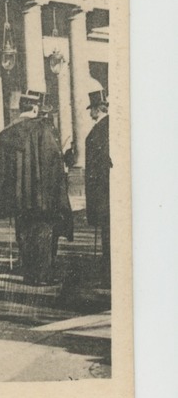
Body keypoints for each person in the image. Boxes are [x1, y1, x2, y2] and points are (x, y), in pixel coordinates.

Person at [0, 90, 73, 286]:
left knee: (23, 233)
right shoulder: (42, 130)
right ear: (34, 108)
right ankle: (43, 276)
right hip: (42, 197)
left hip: (19, 199)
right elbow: (52, 163)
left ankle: (29, 274)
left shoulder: (8, 134)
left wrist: (5, 198)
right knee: (43, 233)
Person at [84, 88, 111, 279]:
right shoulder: (108, 126)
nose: (90, 113)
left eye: (92, 109)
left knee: (107, 228)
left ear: (98, 109)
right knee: (107, 227)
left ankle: (107, 268)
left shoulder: (101, 129)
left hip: (102, 187)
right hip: (105, 187)